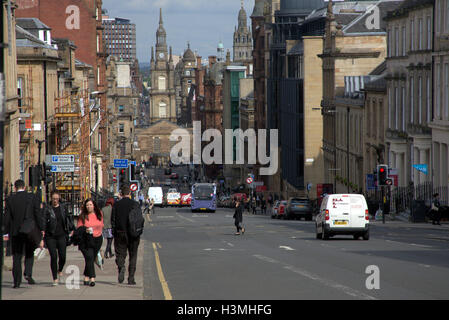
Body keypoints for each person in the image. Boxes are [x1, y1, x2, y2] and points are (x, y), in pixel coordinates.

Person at [4, 180, 45, 288]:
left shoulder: (10, 199)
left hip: (16, 232)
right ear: (25, 187)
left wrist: (5, 231)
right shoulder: (32, 197)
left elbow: (7, 218)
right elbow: (37, 214)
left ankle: (16, 282)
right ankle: (27, 273)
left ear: (16, 188)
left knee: (16, 257)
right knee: (29, 252)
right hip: (29, 230)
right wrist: (41, 228)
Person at [111, 185, 142, 285]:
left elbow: (113, 220)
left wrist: (114, 231)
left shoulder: (116, 205)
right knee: (133, 256)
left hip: (120, 233)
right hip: (133, 234)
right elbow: (139, 220)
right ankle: (131, 278)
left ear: (121, 194)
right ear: (130, 193)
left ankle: (121, 267)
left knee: (120, 254)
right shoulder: (135, 204)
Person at [44, 190, 75, 286]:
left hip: (62, 235)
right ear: (51, 198)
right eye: (53, 199)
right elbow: (43, 222)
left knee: (63, 256)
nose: (55, 201)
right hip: (51, 236)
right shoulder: (47, 209)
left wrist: (72, 229)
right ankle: (55, 278)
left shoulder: (63, 208)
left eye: (57, 199)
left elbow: (68, 219)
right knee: (53, 256)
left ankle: (60, 269)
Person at [77, 199, 104, 287]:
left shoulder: (99, 213)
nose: (89, 207)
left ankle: (86, 276)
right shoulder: (82, 216)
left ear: (94, 206)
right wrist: (85, 229)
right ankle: (92, 278)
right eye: (87, 205)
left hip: (97, 239)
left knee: (91, 259)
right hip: (86, 240)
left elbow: (101, 225)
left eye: (90, 205)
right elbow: (79, 229)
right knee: (89, 257)